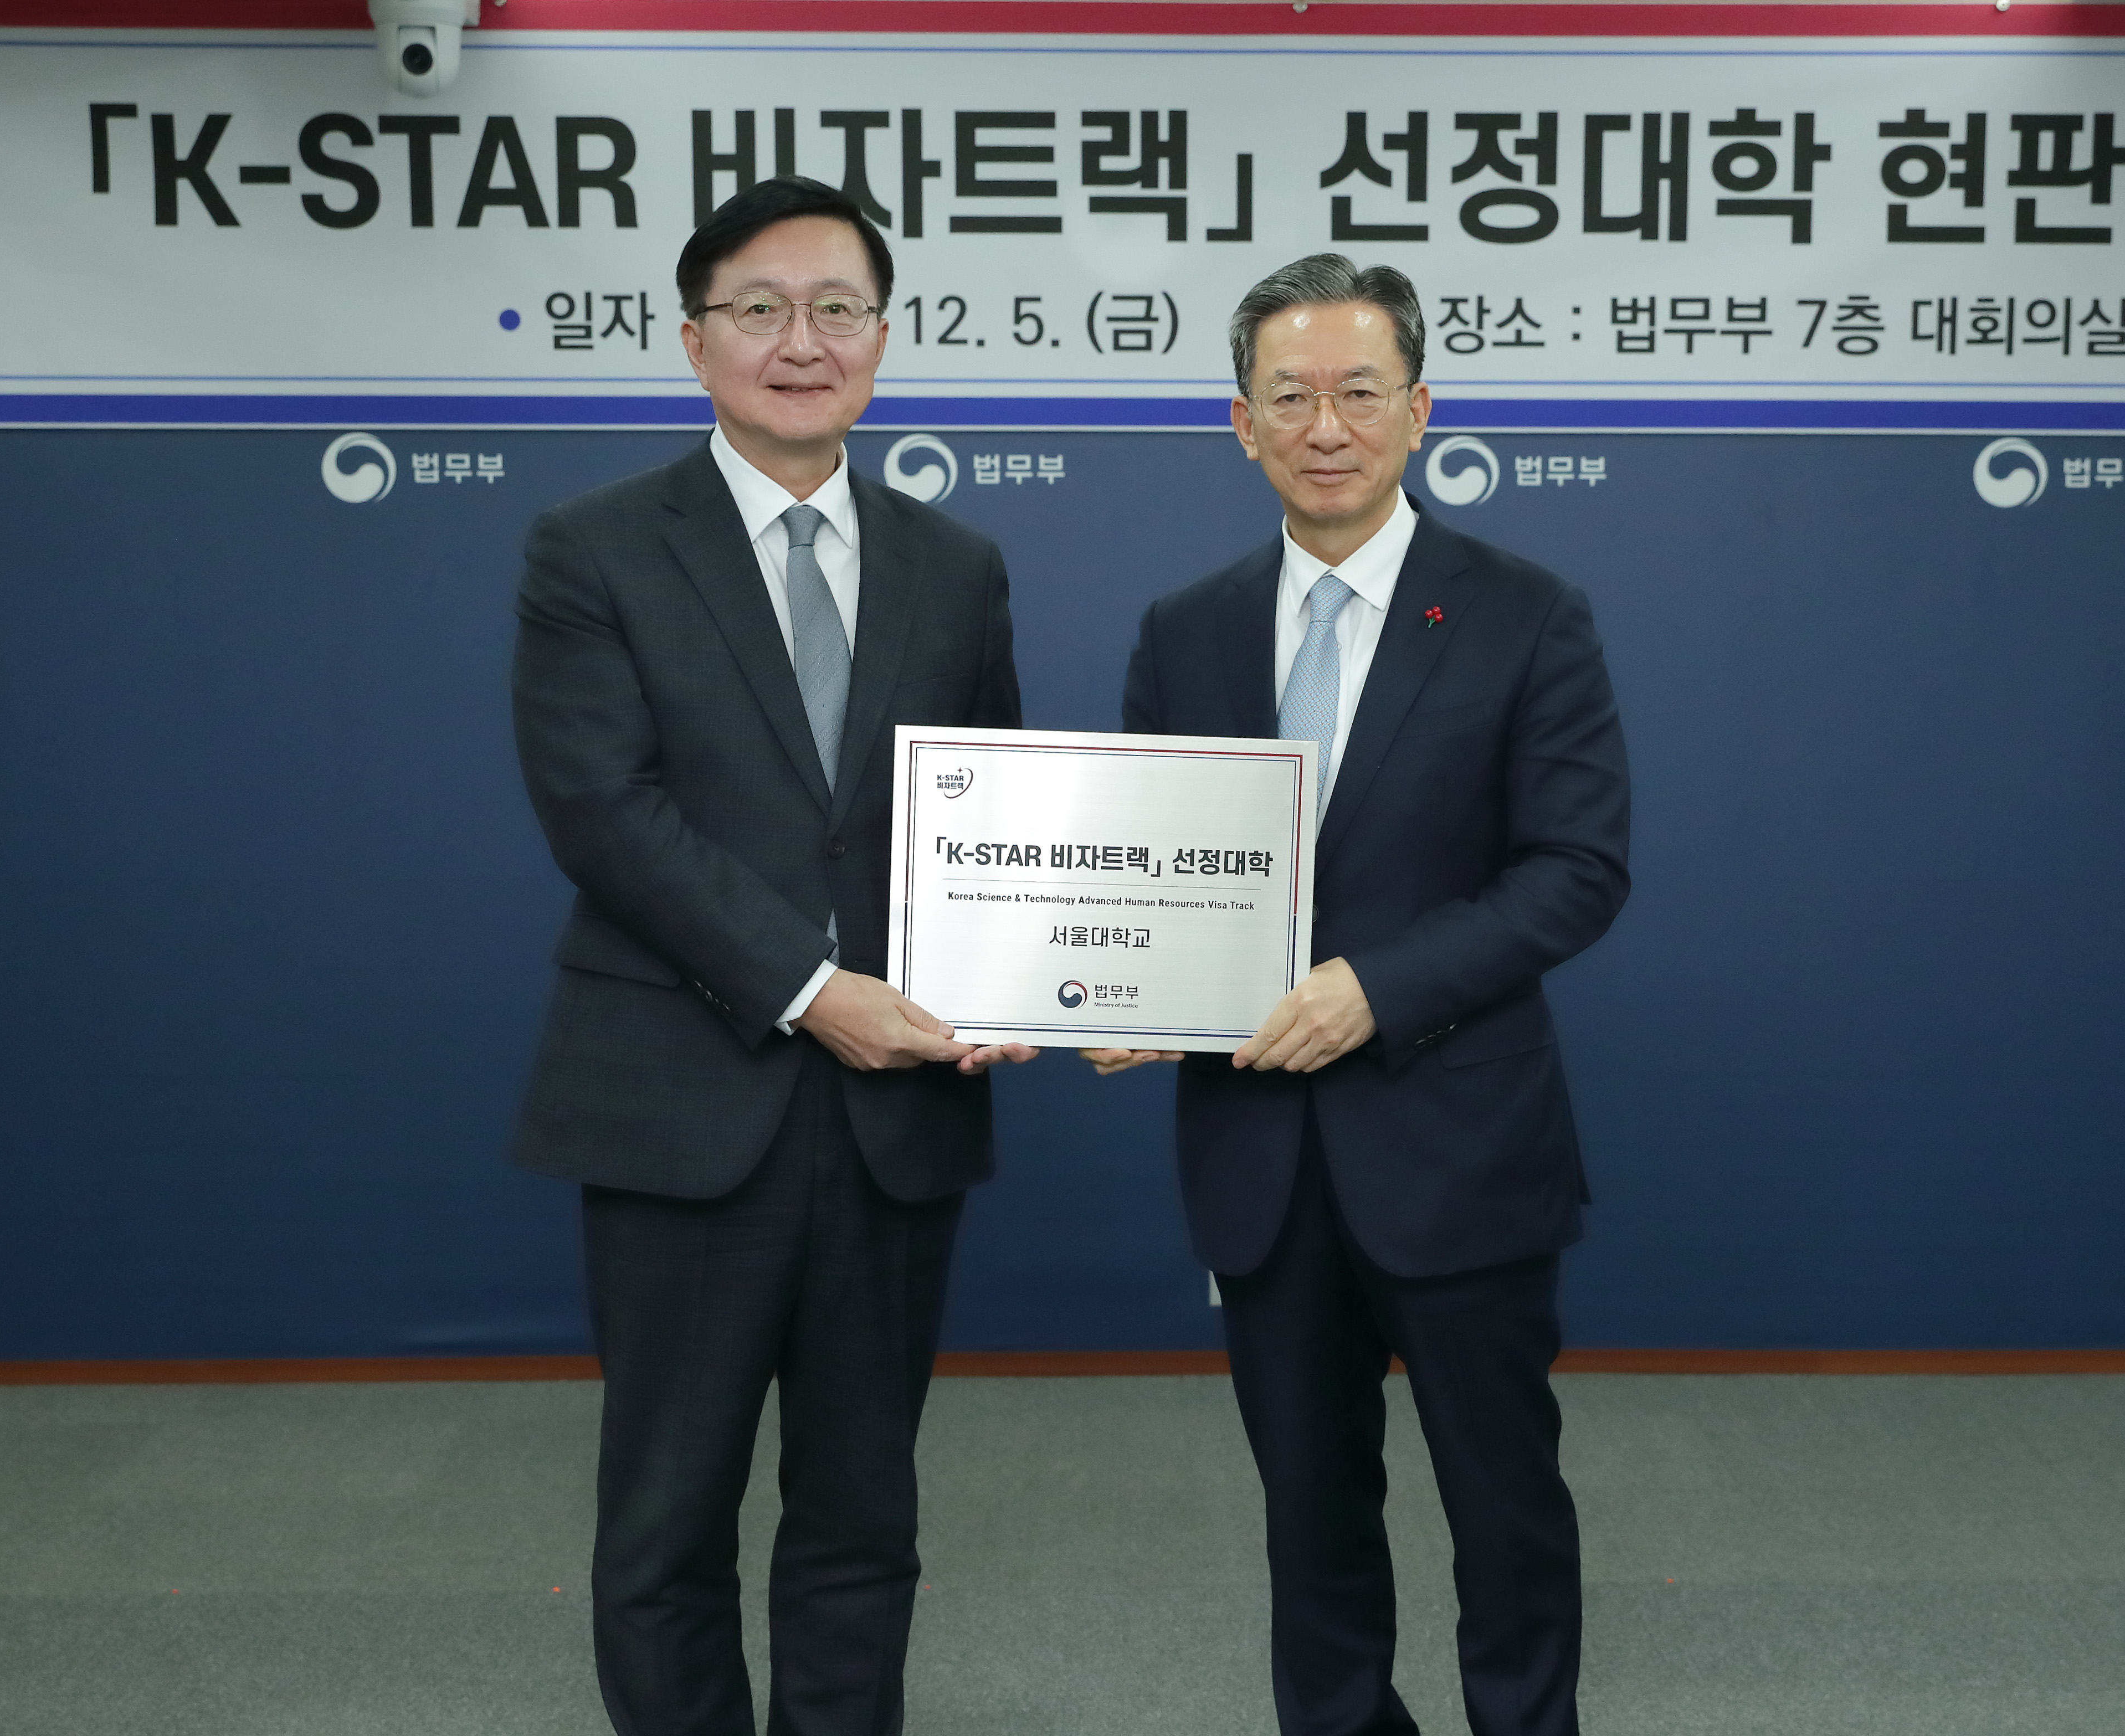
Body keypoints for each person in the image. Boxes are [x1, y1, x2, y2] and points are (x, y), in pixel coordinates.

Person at [509, 173, 1033, 1736]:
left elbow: (989, 815)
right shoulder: (593, 549)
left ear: (883, 334)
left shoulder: (957, 565)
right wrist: (815, 992)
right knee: (667, 1522)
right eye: (760, 309)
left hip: (895, 1114)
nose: (803, 342)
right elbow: (604, 813)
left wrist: (1015, 975)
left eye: (838, 309)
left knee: (864, 1516)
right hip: (684, 1097)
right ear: (696, 340)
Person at [1087, 253, 1631, 1736]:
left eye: (1358, 392)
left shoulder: (1526, 613)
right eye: (1290, 397)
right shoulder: (1185, 629)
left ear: (1418, 408)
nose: (1325, 427)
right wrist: (1126, 985)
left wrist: (1374, 991)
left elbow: (1576, 871)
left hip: (1458, 1144)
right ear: (1242, 423)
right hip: (1260, 1156)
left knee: (1504, 1509)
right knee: (1309, 1515)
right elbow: (1151, 867)